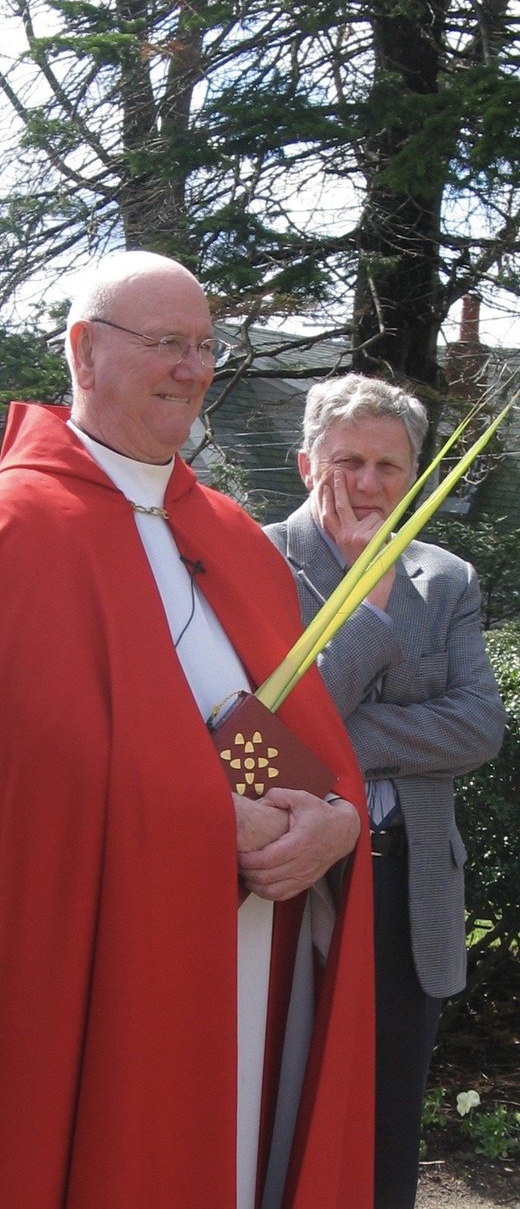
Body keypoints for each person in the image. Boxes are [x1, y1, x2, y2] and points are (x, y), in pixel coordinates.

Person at [0, 251, 376, 1209]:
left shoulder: (233, 535)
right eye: (165, 343)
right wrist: (212, 823)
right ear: (83, 350)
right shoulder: (16, 526)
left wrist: (338, 822)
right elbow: (35, 780)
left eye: (203, 346)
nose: (193, 368)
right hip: (86, 958)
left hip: (246, 944)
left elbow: (314, 737)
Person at [263, 373, 506, 1209]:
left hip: (406, 882)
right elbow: (265, 738)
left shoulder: (446, 579)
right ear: (306, 464)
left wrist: (337, 736)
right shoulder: (251, 562)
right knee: (279, 1109)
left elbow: (478, 727)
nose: (369, 486)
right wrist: (367, 612)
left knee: (385, 1119)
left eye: (390, 467)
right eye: (348, 463)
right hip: (284, 879)